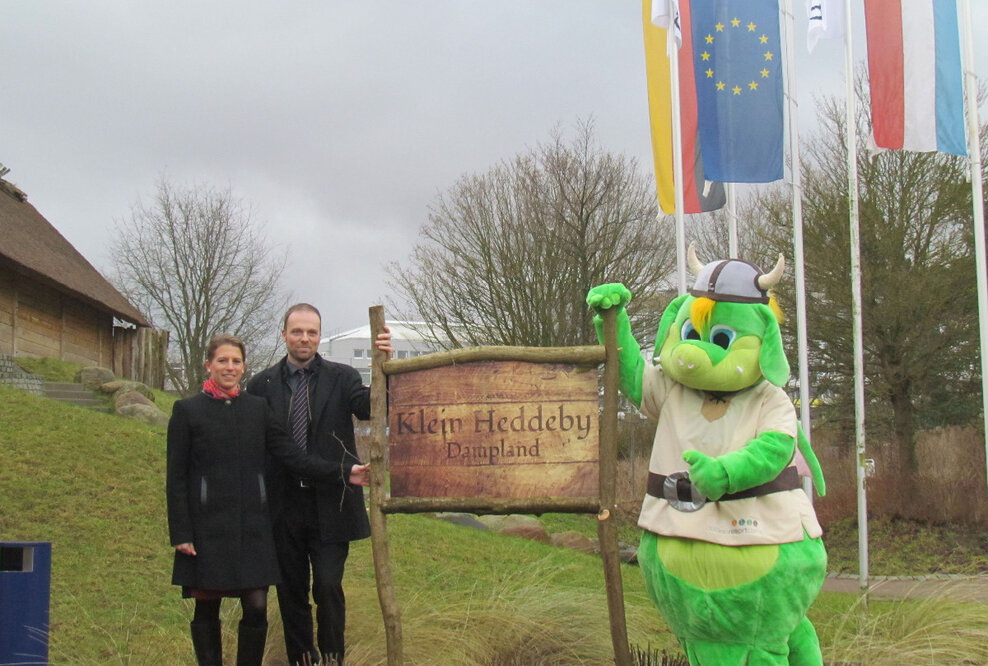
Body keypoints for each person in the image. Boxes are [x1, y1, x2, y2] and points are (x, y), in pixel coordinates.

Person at [167, 334, 366, 666]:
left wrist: (344, 472)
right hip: (207, 527)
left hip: (254, 527)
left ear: (244, 367)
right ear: (209, 365)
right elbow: (175, 478)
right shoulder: (187, 411)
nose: (229, 367)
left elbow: (293, 455)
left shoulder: (257, 408)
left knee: (257, 604)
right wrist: (181, 532)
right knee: (207, 605)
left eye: (235, 361)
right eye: (222, 361)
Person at [246, 303, 392, 666]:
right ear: (284, 335)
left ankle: (331, 656)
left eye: (312, 332)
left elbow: (371, 407)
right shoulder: (260, 385)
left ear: (319, 336)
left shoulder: (341, 378)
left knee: (327, 585)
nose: (305, 338)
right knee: (291, 590)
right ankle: (301, 657)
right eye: (297, 331)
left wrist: (387, 368)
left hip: (332, 502)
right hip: (282, 505)